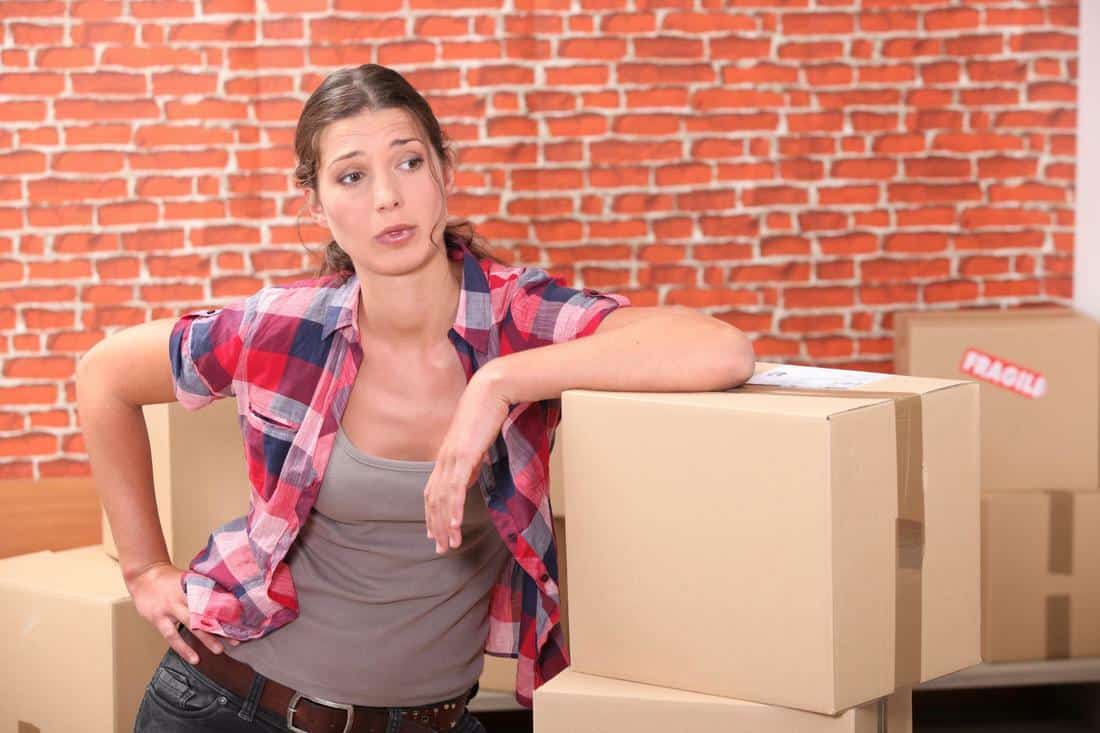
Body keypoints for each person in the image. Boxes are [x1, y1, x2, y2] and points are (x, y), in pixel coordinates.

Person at [75, 64, 755, 733]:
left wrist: (497, 385)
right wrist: (144, 569)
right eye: (352, 175)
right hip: (230, 705)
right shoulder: (283, 326)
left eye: (406, 163)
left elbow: (720, 350)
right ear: (316, 205)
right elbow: (104, 376)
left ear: (443, 173)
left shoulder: (515, 320)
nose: (387, 198)